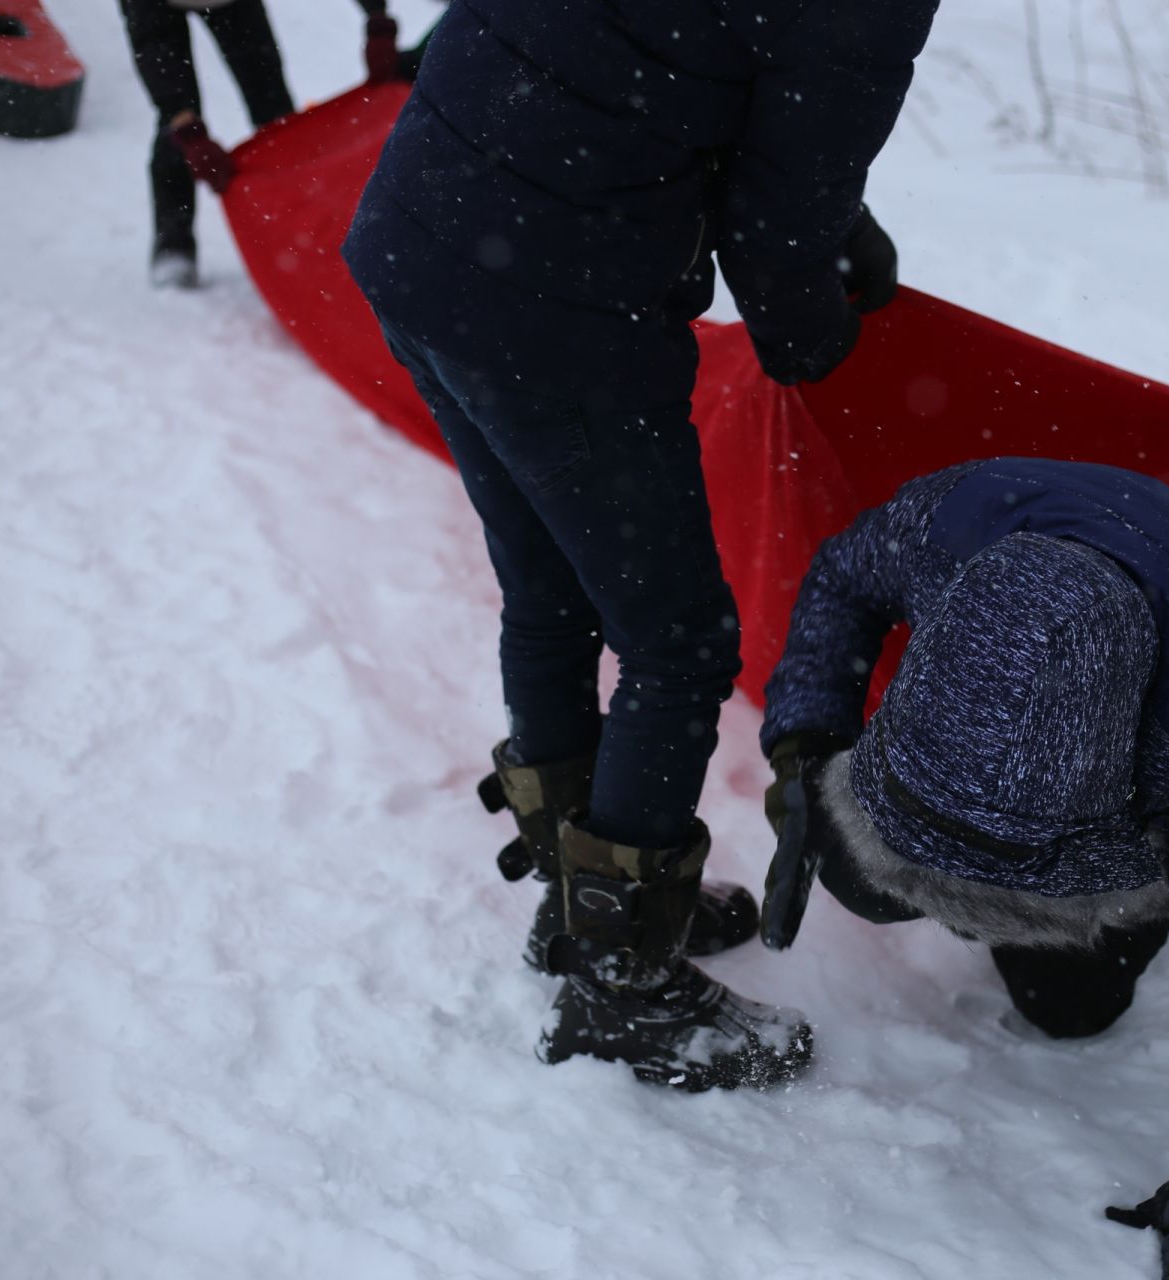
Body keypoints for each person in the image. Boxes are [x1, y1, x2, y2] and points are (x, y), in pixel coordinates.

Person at [340, 0, 940, 1091]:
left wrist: (830, 220)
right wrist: (820, 339)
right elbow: (775, 216)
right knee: (679, 644)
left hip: (423, 233)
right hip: (551, 298)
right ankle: (621, 980)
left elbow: (676, 62)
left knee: (553, 589)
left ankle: (586, 904)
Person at [760, 458, 1169, 1280]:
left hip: (1148, 772)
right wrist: (805, 742)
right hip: (987, 720)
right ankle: (932, 837)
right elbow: (844, 576)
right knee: (858, 869)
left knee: (1071, 1007)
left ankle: (1025, 897)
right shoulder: (945, 527)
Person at [119, 0, 411, 288]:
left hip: (235, 5)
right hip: (156, 8)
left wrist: (377, 18)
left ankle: (301, 234)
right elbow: (151, 42)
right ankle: (174, 244)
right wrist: (187, 129)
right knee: (176, 132)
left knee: (275, 116)